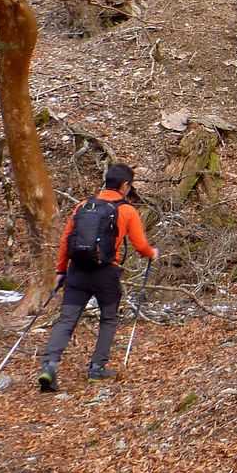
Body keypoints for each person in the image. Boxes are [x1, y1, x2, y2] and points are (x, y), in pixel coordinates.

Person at [39, 163, 158, 390]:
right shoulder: (127, 211)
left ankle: (49, 365)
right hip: (106, 273)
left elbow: (66, 240)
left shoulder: (83, 206)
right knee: (108, 318)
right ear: (125, 185)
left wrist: (61, 270)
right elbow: (141, 246)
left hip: (77, 271)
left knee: (66, 320)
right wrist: (152, 253)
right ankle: (97, 368)